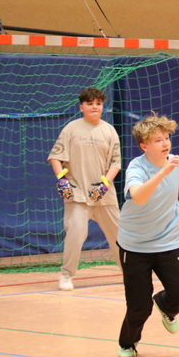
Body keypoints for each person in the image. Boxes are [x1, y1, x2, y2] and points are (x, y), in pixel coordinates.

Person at [116, 113, 179, 357]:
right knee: (139, 306)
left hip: (168, 241)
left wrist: (169, 168)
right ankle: (128, 343)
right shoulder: (137, 167)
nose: (165, 143)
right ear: (144, 146)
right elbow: (138, 196)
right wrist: (163, 172)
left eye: (167, 138)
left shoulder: (176, 163)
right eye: (158, 140)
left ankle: (165, 305)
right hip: (135, 245)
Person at [47, 87, 122, 291]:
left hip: (104, 195)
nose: (94, 107)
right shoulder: (71, 129)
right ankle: (66, 275)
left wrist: (105, 184)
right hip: (78, 193)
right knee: (76, 234)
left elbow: (115, 163)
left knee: (119, 235)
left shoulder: (109, 131)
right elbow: (55, 157)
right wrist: (62, 180)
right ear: (81, 107)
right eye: (90, 104)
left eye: (98, 103)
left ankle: (130, 272)